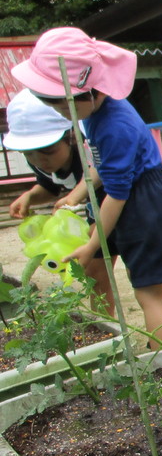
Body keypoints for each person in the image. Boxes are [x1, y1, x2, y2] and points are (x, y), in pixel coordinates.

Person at [12, 27, 162, 349]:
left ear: (90, 91)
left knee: (148, 293)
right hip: (141, 199)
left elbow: (118, 192)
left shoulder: (113, 125)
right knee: (158, 290)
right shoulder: (93, 114)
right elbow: (99, 167)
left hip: (146, 204)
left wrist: (93, 244)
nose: (64, 114)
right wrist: (75, 195)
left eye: (64, 107)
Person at [3, 88, 118, 314]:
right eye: (29, 154)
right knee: (95, 273)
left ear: (72, 137)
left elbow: (106, 183)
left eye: (47, 151)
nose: (39, 160)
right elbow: (50, 186)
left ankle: (105, 325)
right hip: (97, 209)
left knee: (108, 272)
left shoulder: (89, 152)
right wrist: (30, 196)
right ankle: (104, 323)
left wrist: (89, 227)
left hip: (118, 206)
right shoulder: (44, 161)